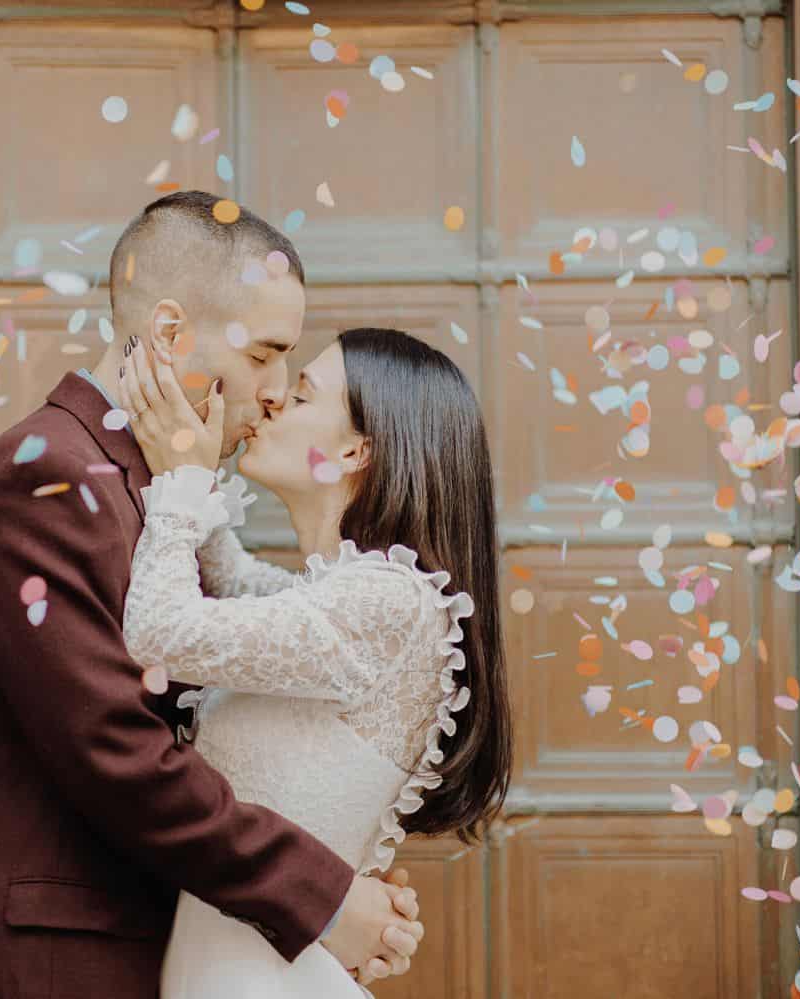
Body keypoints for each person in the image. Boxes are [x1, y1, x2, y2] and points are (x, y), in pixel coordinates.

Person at [0, 192, 423, 999]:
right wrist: (322, 898)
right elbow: (119, 753)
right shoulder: (44, 479)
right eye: (264, 356)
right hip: (47, 964)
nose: (277, 390)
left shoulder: (152, 482)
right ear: (171, 333)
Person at [115, 323, 513, 998]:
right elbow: (233, 581)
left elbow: (157, 630)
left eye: (300, 395)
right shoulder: (339, 596)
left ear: (357, 448)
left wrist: (181, 480)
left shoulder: (389, 603)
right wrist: (196, 453)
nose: (272, 402)